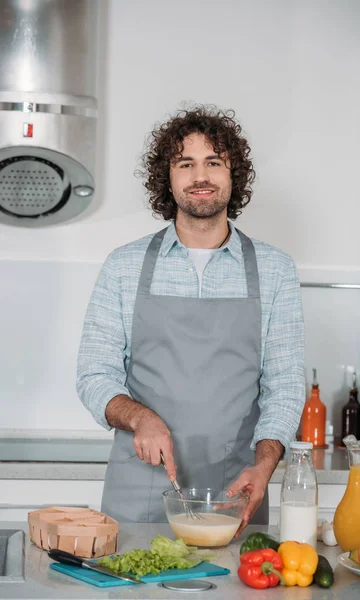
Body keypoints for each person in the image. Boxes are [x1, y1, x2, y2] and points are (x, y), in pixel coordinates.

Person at [77, 106, 305, 533]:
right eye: (186, 164)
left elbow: (286, 385)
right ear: (169, 178)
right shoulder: (123, 267)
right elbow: (94, 374)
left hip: (237, 489)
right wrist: (141, 418)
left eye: (213, 162)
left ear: (232, 174)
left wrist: (265, 467)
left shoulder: (276, 270)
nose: (201, 176)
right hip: (139, 490)